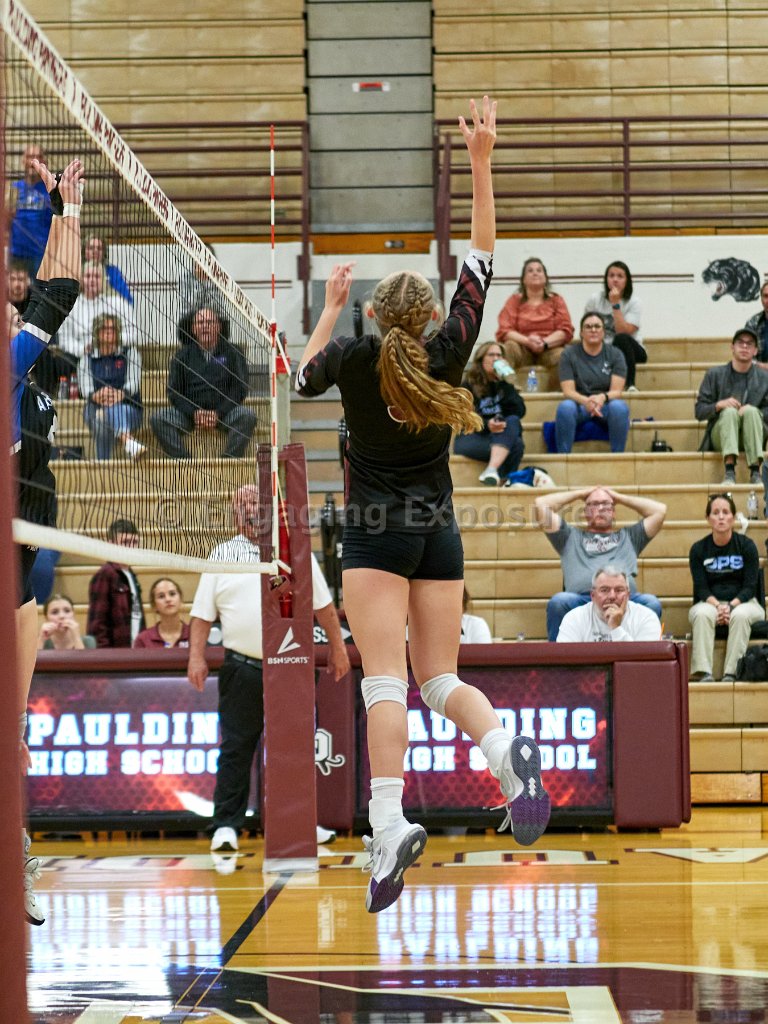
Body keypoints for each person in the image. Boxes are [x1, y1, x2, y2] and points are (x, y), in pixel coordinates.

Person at [296, 96, 550, 915]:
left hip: (376, 537)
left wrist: (328, 308)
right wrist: (479, 161)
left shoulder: (352, 356)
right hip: (439, 531)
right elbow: (483, 255)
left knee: (385, 684)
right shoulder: (449, 349)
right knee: (440, 678)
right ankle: (504, 752)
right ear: (434, 317)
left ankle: (387, 821)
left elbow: (298, 378)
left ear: (373, 314)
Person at [186, 485, 351, 852]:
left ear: (270, 510)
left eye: (255, 502)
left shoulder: (294, 549)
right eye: (242, 503)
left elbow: (324, 606)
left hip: (290, 667)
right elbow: (201, 615)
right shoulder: (222, 554)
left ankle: (301, 823)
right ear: (234, 514)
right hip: (242, 668)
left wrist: (338, 649)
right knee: (236, 748)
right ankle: (225, 825)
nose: (249, 509)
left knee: (297, 749)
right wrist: (196, 656)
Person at [9, 155, 84, 926]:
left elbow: (54, 295)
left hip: (20, 534)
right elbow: (55, 294)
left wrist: (65, 206)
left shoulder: (21, 368)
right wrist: (63, 211)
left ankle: (16, 850)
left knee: (25, 620)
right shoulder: (12, 362)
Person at [534, 485, 666, 642]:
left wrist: (618, 497)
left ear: (613, 512)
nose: (601, 509)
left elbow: (659, 511)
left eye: (606, 505)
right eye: (594, 505)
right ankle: (558, 656)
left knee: (652, 603)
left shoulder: (630, 537)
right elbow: (541, 505)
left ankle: (647, 656)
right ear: (585, 512)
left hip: (624, 598)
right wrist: (581, 493)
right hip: (582, 599)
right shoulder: (568, 537)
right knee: (558, 602)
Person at [151, 306, 256, 459]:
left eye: (210, 322)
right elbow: (174, 392)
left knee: (248, 416)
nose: (205, 326)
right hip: (190, 417)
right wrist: (194, 413)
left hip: (224, 415)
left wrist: (218, 413)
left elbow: (240, 388)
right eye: (200, 323)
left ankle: (228, 461)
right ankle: (185, 462)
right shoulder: (182, 356)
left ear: (218, 326)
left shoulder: (233, 352)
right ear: (193, 329)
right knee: (158, 418)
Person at [689, 493, 763, 682]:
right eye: (715, 513)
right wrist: (718, 606)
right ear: (708, 518)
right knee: (701, 614)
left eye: (725, 512)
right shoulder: (698, 549)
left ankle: (733, 672)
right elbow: (701, 588)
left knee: (740, 615)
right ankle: (704, 672)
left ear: (733, 517)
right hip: (710, 603)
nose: (721, 517)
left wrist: (730, 606)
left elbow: (750, 586)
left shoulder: (747, 546)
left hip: (745, 602)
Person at [694, 327, 768, 486]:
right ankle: (729, 472)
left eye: (750, 344)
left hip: (754, 432)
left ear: (755, 351)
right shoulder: (714, 374)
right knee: (729, 412)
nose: (745, 346)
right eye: (740, 343)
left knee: (751, 412)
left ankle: (756, 472)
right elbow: (699, 411)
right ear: (732, 347)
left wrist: (752, 410)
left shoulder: (765, 378)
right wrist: (719, 405)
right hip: (722, 435)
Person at [555, 312, 630, 454]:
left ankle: (618, 457)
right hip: (579, 404)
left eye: (597, 326)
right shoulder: (568, 354)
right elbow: (568, 391)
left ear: (603, 332)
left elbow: (616, 391)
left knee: (619, 407)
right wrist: (586, 401)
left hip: (605, 404)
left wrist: (602, 398)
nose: (593, 330)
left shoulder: (616, 354)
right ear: (581, 333)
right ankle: (563, 458)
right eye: (588, 327)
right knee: (565, 407)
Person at [453, 340, 526, 485]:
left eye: (499, 356)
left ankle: (493, 472)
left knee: (513, 423)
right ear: (481, 360)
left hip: (500, 435)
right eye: (491, 355)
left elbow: (519, 411)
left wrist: (506, 383)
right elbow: (464, 417)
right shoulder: (468, 384)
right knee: (515, 444)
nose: (496, 359)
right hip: (472, 437)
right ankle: (503, 479)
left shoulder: (504, 385)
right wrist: (487, 424)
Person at [79, 313, 145, 460]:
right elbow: (85, 388)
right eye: (104, 329)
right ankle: (128, 442)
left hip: (129, 408)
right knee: (100, 418)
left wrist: (120, 394)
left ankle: (103, 464)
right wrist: (97, 396)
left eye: (113, 329)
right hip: (95, 407)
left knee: (106, 415)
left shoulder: (130, 353)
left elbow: (134, 382)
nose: (109, 332)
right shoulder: (87, 357)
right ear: (97, 332)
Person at [495, 256, 573, 371]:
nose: (535, 273)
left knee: (563, 355)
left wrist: (544, 343)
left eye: (539, 270)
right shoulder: (514, 300)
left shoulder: (556, 300)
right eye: (530, 271)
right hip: (522, 348)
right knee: (509, 347)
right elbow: (505, 330)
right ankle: (508, 382)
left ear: (545, 278)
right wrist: (528, 341)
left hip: (549, 348)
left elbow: (565, 330)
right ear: (523, 279)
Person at [56, 259, 137, 366]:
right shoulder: (70, 307)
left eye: (96, 276)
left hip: (115, 356)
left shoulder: (118, 303)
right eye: (88, 276)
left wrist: (115, 340)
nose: (92, 280)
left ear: (103, 279)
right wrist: (82, 349)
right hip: (81, 358)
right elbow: (64, 340)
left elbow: (133, 334)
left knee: (133, 354)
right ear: (81, 280)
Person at [583, 260, 646, 391]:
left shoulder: (634, 302)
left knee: (621, 338)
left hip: (631, 350)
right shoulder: (595, 299)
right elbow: (586, 328)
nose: (615, 280)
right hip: (603, 349)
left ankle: (630, 384)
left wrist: (615, 304)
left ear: (627, 281)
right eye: (611, 276)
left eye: (620, 276)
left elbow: (624, 331)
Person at [556, 566, 662, 642]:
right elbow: (565, 660)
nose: (612, 596)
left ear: (628, 595)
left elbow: (643, 662)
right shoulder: (574, 618)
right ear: (592, 595)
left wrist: (616, 628)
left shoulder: (646, 617)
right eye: (604, 590)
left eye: (619, 590)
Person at [86, 518, 146, 648]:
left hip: (135, 652)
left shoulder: (131, 575)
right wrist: (106, 657)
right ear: (111, 545)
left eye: (135, 542)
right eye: (125, 542)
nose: (131, 547)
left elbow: (137, 618)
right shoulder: (106, 574)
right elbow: (97, 625)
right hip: (115, 656)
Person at [7, 143, 53, 276]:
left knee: (38, 289)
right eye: (30, 157)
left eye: (38, 157)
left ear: (44, 162)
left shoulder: (50, 189)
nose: (34, 161)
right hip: (17, 254)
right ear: (23, 161)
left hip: (41, 256)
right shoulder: (14, 188)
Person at [133, 577, 190, 648]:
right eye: (161, 596)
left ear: (181, 600)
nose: (168, 599)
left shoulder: (194, 635)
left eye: (172, 594)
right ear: (154, 605)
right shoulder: (143, 639)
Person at [83, 234, 133, 304]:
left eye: (99, 248)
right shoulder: (77, 271)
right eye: (91, 248)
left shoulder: (113, 272)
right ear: (84, 251)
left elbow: (127, 299)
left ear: (104, 252)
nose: (95, 251)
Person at [745, 280, 768, 368]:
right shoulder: (753, 322)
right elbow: (745, 353)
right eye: (766, 296)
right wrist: (762, 366)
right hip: (758, 373)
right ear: (761, 299)